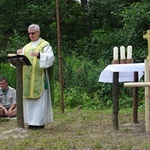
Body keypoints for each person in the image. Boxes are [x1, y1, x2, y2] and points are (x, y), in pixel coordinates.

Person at [17, 24, 54, 129]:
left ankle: (39, 123)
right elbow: (21, 57)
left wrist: (39, 55)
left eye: (33, 33)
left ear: (38, 32)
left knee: (39, 101)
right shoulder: (27, 47)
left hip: (39, 76)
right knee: (29, 100)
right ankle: (30, 122)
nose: (31, 35)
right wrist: (19, 53)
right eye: (29, 33)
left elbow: (50, 58)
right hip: (28, 77)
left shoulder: (44, 45)